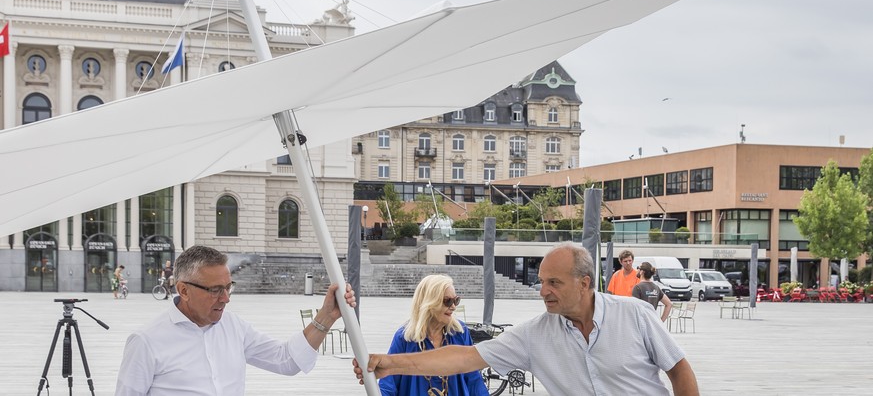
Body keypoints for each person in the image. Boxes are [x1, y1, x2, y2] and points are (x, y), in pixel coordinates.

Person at [354, 242, 699, 396]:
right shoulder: (535, 334)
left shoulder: (635, 315)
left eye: (554, 283)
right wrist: (388, 363)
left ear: (584, 283)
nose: (543, 291)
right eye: (542, 281)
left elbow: (679, 370)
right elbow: (465, 358)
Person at [116, 245, 356, 395]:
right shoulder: (146, 342)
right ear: (184, 290)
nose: (226, 298)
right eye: (215, 290)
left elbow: (287, 360)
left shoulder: (234, 327)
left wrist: (327, 315)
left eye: (228, 287)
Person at [379, 274, 489, 396]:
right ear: (429, 303)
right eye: (447, 301)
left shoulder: (459, 333)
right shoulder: (405, 337)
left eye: (456, 300)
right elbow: (388, 383)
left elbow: (473, 378)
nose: (453, 307)